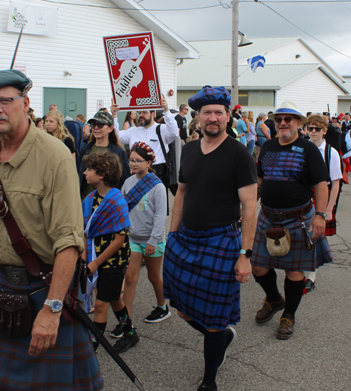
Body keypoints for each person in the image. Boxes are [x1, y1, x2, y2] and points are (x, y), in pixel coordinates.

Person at [0, 66, 103, 390]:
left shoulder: (55, 157)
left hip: (44, 287)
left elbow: (69, 241)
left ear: (25, 103)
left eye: (5, 100)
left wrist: (52, 310)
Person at [163, 86, 258, 391]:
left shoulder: (239, 154)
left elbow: (249, 208)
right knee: (181, 308)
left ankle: (209, 380)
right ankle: (221, 339)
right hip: (186, 240)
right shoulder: (189, 149)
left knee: (215, 318)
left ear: (229, 116)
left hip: (220, 242)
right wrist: (173, 235)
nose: (213, 118)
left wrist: (245, 254)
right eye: (207, 113)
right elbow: (181, 193)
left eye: (219, 112)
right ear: (198, 117)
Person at [252, 101, 333, 341]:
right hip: (267, 216)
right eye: (279, 119)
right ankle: (275, 299)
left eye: (289, 119)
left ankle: (289, 315)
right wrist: (246, 209)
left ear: (299, 123)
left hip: (298, 219)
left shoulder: (308, 149)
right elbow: (259, 181)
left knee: (294, 271)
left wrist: (320, 215)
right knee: (257, 266)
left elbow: (321, 184)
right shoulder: (266, 147)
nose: (283, 123)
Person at [81, 151, 136, 353]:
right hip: (95, 257)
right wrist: (84, 258)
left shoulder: (117, 201)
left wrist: (95, 263)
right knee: (113, 297)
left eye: (89, 169)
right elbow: (85, 231)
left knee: (101, 303)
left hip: (114, 261)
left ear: (102, 174)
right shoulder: (89, 199)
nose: (85, 172)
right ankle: (130, 333)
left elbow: (119, 239)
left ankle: (91, 348)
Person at [116, 142, 168, 339]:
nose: (133, 164)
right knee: (130, 277)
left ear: (148, 162)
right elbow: (122, 211)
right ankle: (125, 319)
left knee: (154, 276)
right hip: (133, 238)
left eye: (138, 161)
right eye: (131, 160)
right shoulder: (128, 183)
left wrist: (153, 241)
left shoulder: (158, 186)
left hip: (152, 240)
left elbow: (160, 216)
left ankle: (163, 306)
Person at [303, 114, 342, 292]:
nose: (313, 132)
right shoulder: (302, 148)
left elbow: (335, 183)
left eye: (317, 129)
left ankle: (310, 275)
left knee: (313, 236)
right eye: (310, 128)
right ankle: (299, 268)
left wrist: (329, 209)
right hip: (302, 195)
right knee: (300, 235)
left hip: (321, 196)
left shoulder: (330, 153)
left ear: (324, 131)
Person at [111, 96, 179, 193]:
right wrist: (114, 116)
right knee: (138, 204)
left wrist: (166, 110)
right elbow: (116, 136)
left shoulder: (162, 129)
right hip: (136, 171)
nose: (141, 115)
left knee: (159, 204)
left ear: (153, 113)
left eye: (144, 112)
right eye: (139, 113)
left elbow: (174, 133)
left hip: (157, 171)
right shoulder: (133, 131)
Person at [78, 111, 130, 199]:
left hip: (108, 204)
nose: (96, 128)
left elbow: (125, 180)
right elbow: (78, 176)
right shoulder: (85, 150)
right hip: (86, 203)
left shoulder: (118, 152)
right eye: (93, 125)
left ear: (110, 128)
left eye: (100, 125)